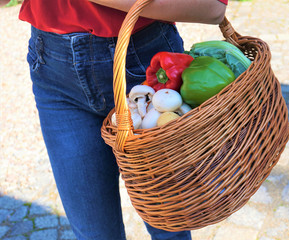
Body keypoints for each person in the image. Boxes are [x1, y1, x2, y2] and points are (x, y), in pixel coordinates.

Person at [19, 0, 227, 239]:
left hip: (147, 65)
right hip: (55, 69)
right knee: (94, 234)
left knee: (170, 228)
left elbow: (212, 8)